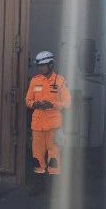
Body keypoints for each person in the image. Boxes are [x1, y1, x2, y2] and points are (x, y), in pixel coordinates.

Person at [25, 51, 71, 196]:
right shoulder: (34, 81)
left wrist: (51, 104)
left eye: (43, 66)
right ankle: (38, 188)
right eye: (39, 66)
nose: (40, 69)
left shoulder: (60, 81)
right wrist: (35, 104)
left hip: (54, 126)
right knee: (37, 158)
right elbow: (28, 100)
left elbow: (67, 103)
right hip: (38, 126)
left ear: (51, 64)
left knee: (54, 159)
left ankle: (54, 191)